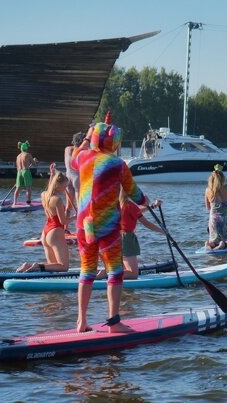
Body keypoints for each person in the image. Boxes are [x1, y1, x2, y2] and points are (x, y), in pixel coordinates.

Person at [72, 115, 151, 333]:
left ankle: (81, 321)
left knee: (86, 271)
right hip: (107, 226)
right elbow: (134, 193)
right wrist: (146, 201)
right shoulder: (118, 164)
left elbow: (73, 158)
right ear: (114, 143)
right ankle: (114, 323)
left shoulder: (83, 158)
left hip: (83, 226)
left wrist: (89, 137)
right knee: (115, 272)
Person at [16, 165, 74, 273]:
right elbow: (63, 222)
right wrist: (76, 217)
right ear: (57, 185)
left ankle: (28, 265)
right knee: (63, 267)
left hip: (45, 233)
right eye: (64, 186)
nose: (65, 189)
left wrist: (52, 174)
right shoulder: (57, 200)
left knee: (54, 267)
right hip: (55, 233)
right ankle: (37, 266)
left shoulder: (44, 195)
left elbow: (51, 185)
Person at [119, 188, 164, 280]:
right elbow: (146, 223)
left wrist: (152, 206)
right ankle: (107, 274)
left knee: (123, 269)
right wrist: (162, 231)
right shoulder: (130, 206)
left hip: (116, 237)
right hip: (127, 239)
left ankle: (112, 281)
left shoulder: (118, 204)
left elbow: (137, 211)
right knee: (133, 274)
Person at [13, 141, 38, 205]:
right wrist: (35, 160)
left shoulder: (18, 156)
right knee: (28, 188)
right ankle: (29, 202)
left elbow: (15, 166)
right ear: (26, 148)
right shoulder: (28, 154)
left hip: (19, 172)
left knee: (18, 188)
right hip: (26, 171)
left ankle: (15, 202)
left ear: (21, 148)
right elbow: (34, 164)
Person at [64, 132, 85, 209]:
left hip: (68, 177)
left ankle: (65, 220)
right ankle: (78, 220)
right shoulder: (81, 152)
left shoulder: (67, 149)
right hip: (77, 178)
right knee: (79, 206)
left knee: (68, 206)